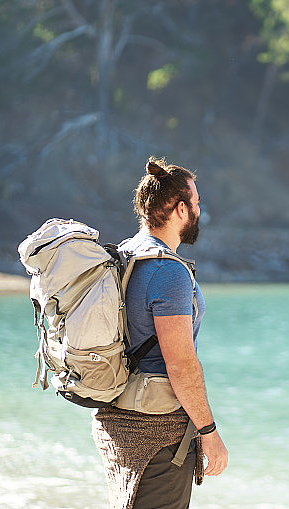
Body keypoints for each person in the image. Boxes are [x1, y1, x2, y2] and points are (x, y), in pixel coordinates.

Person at [92, 156, 228, 509]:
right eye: (196, 203)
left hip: (114, 420)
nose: (199, 209)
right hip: (158, 432)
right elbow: (181, 364)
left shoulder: (122, 255)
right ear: (181, 209)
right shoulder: (169, 272)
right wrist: (209, 433)